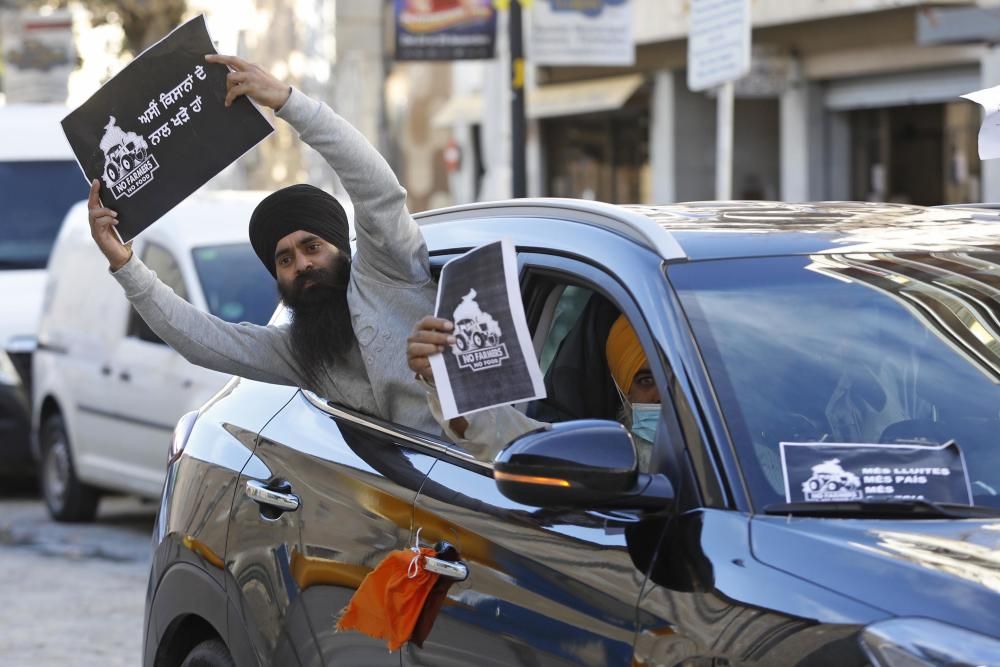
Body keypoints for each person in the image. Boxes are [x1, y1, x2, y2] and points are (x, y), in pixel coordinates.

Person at [87, 54, 440, 433]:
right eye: (284, 260)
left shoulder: (390, 271)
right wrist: (126, 266)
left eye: (312, 247)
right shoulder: (301, 353)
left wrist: (289, 103)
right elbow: (202, 340)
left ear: (341, 247)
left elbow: (376, 190)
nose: (302, 264)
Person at [406, 313, 661, 465]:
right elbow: (498, 434)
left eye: (676, 382)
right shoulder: (601, 459)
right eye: (647, 381)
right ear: (624, 392)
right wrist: (444, 378)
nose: (664, 396)